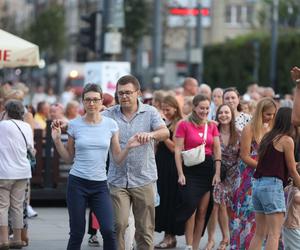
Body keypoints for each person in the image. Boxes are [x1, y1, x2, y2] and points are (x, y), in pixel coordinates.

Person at [51, 83, 143, 250]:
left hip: (100, 185)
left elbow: (117, 158)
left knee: (109, 230)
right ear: (83, 102)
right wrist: (57, 140)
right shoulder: (74, 125)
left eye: (95, 100)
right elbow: (68, 157)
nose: (92, 104)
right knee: (77, 232)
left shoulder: (110, 125)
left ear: (102, 102)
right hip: (77, 183)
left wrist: (128, 146)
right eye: (88, 100)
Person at [102, 75, 169, 250]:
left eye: (128, 93)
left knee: (145, 230)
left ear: (137, 93)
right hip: (118, 180)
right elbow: (90, 120)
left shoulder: (150, 112)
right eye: (120, 93)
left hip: (144, 178)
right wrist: (64, 125)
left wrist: (151, 135)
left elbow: (165, 132)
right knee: (119, 224)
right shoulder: (109, 114)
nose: (124, 97)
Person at [174, 94, 221, 250]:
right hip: (189, 169)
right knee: (191, 208)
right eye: (202, 108)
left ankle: (195, 246)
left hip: (207, 169)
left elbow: (217, 150)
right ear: (194, 107)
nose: (205, 111)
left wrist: (217, 173)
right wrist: (180, 173)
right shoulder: (183, 124)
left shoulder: (212, 126)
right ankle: (188, 245)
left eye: (207, 108)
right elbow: (178, 150)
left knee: (202, 211)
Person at [248, 107, 300, 250]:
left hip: (258, 185)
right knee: (274, 234)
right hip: (272, 187)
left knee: (259, 233)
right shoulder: (287, 140)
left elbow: (272, 161)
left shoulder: (267, 136)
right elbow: (292, 171)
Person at [231, 97, 277, 249]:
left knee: (267, 214)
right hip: (249, 176)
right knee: (248, 213)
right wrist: (261, 167)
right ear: (260, 112)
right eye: (268, 114)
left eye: (273, 114)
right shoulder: (249, 128)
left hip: (270, 174)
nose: (271, 117)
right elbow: (244, 156)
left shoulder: (273, 128)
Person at [204, 104, 240, 250]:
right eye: (220, 113)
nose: (223, 115)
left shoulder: (239, 133)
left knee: (229, 207)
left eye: (226, 112)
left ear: (232, 115)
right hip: (216, 172)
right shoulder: (212, 130)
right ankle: (213, 239)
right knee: (215, 204)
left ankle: (228, 237)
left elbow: (243, 156)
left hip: (233, 173)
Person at [0, 100, 33, 250]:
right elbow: (30, 149)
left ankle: (4, 240)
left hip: (4, 172)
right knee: (18, 206)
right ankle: (18, 239)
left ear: (7, 111)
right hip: (23, 172)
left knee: (2, 206)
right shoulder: (26, 126)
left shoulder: (2, 125)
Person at [154, 95, 183, 249]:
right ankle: (167, 236)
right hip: (161, 164)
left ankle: (170, 236)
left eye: (168, 109)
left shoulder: (179, 123)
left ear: (175, 108)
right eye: (163, 109)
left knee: (170, 200)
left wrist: (163, 133)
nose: (165, 112)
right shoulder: (164, 123)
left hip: (172, 165)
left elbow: (175, 148)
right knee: (162, 199)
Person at [283, 164, 300, 249]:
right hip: (293, 226)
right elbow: (296, 198)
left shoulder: (291, 188)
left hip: (292, 226)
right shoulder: (295, 190)